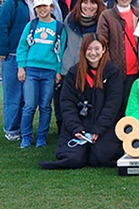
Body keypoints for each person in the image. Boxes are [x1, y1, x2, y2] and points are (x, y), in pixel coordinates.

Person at [39, 34, 123, 169]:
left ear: (104, 50)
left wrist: (98, 130)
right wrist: (76, 129)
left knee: (100, 158)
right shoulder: (74, 73)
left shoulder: (113, 72)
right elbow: (67, 103)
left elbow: (112, 105)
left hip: (103, 126)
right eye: (89, 49)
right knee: (74, 159)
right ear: (83, 50)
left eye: (97, 49)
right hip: (80, 125)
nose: (93, 53)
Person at [16, 0, 67, 148]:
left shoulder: (59, 27)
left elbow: (61, 51)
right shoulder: (31, 25)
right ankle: (26, 137)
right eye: (38, 6)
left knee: (45, 106)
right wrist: (21, 67)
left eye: (44, 6)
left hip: (49, 71)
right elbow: (23, 47)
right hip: (31, 70)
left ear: (51, 7)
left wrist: (58, 70)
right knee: (29, 105)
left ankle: (41, 138)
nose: (41, 9)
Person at [0, 0, 38, 141]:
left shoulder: (36, 3)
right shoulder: (12, 3)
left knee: (27, 96)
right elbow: (2, 26)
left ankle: (23, 127)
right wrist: (3, 51)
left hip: (31, 57)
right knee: (13, 94)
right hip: (13, 55)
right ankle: (11, 129)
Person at [55, 0, 105, 133]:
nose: (88, 6)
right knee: (64, 101)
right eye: (85, 2)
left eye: (93, 3)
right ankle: (64, 130)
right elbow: (62, 43)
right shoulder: (70, 19)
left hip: (90, 69)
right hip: (68, 67)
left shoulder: (102, 21)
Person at [97, 0, 139, 116]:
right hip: (115, 68)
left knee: (132, 104)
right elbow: (102, 41)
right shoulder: (107, 15)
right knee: (115, 103)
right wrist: (109, 64)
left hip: (135, 68)